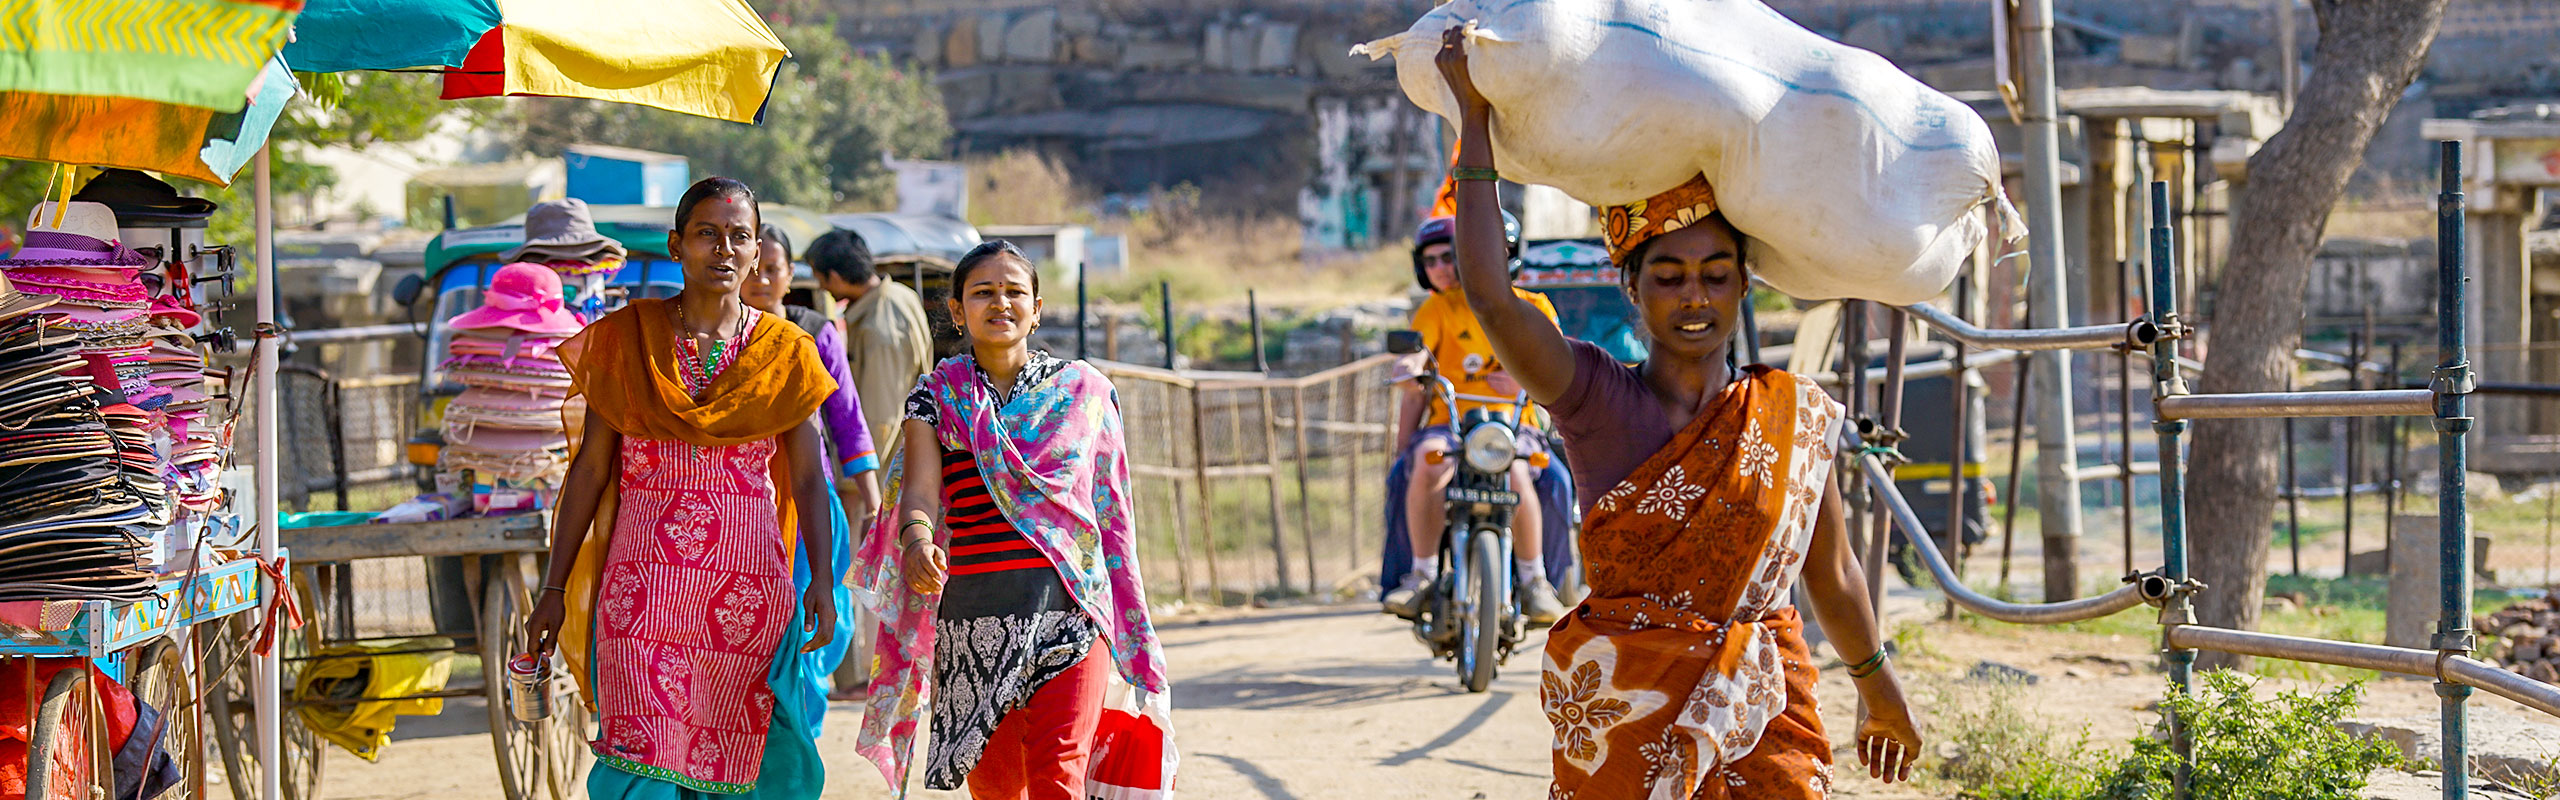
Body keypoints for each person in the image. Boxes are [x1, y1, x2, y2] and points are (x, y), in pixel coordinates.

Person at [1435, 29, 1922, 797]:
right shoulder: (1594, 395)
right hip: (1626, 725)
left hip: (1766, 720)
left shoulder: (1794, 417)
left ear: (1742, 287)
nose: (1694, 295)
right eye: (1668, 276)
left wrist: (1879, 687)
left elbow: (1830, 570)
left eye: (1715, 274)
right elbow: (1492, 295)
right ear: (1634, 289)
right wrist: (1473, 117)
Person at [522, 177, 838, 799]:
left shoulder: (787, 353)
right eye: (706, 234)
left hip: (748, 595)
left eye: (739, 236)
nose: (724, 249)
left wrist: (821, 582)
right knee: (640, 761)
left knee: (745, 757)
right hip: (642, 594)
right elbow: (589, 469)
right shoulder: (625, 340)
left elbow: (807, 477)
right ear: (676, 245)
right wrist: (553, 588)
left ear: (755, 251)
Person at [846, 240, 1169, 799]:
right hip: (974, 623)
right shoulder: (938, 396)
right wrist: (918, 541)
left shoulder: (1084, 393)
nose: (1001, 303)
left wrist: (1131, 626)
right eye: (983, 292)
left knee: (1058, 778)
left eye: (1015, 291)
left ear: (1037, 307)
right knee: (997, 790)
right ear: (956, 310)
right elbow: (920, 491)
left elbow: (1113, 520)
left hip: (1069, 618)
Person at [1381, 213, 1569, 625]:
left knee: (1517, 474)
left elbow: (1558, 364)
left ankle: (1536, 581)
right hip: (1449, 427)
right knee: (1429, 459)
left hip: (1513, 427)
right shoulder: (1440, 307)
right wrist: (1407, 368)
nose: (1442, 269)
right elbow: (1416, 354)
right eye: (1431, 262)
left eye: (1449, 257)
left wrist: (1525, 376)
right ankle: (1421, 575)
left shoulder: (1533, 306)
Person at [744, 223, 883, 723]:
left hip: (809, 503)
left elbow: (847, 420)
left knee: (811, 617)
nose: (761, 280)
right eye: (753, 270)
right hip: (739, 501)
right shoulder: (718, 336)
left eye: (773, 270)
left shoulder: (814, 332)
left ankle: (799, 726)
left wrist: (874, 502)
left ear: (789, 277)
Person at [806, 229, 934, 461]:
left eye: (820, 279)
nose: (823, 288)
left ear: (834, 277)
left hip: (884, 472)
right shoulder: (902, 296)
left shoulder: (879, 328)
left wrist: (856, 483)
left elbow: (880, 418)